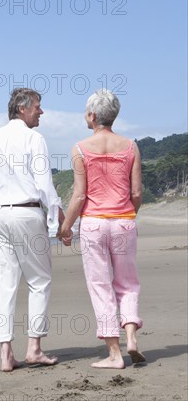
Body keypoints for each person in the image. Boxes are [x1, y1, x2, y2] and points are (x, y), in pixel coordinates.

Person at [0, 88, 64, 372]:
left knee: (4, 284)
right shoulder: (34, 138)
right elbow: (43, 182)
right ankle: (34, 348)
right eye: (38, 106)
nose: (41, 111)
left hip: (0, 215)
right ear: (22, 109)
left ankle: (6, 354)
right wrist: (56, 219)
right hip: (27, 213)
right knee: (39, 281)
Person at [58, 89, 145, 369]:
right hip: (124, 221)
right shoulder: (131, 146)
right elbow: (137, 192)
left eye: (86, 112)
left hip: (94, 224)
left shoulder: (80, 149)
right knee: (128, 282)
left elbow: (80, 196)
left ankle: (115, 353)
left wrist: (65, 227)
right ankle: (131, 336)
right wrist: (128, 216)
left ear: (92, 116)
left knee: (100, 285)